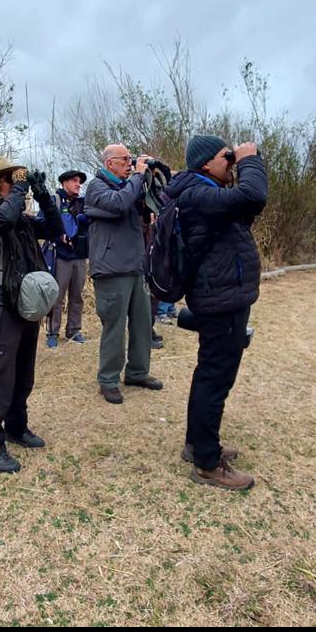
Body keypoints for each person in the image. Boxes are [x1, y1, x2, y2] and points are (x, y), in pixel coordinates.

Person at [165, 135, 268, 490]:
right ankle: (208, 464)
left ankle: (198, 445)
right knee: (215, 380)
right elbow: (254, 195)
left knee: (209, 376)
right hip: (220, 300)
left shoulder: (206, 191)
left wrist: (244, 165)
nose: (232, 161)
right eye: (227, 157)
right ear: (206, 163)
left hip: (223, 297)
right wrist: (249, 160)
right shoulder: (197, 193)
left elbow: (249, 205)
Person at [0, 156, 63, 473]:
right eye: (11, 179)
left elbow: (55, 228)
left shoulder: (20, 220)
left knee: (23, 374)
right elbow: (4, 217)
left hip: (23, 305)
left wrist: (43, 193)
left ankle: (17, 428)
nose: (17, 185)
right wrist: (21, 188)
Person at [84, 144, 163, 403]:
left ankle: (138, 372)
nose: (130, 163)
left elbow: (151, 205)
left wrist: (150, 177)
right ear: (110, 163)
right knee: (115, 327)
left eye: (131, 159)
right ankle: (108, 379)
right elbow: (118, 204)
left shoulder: (129, 186)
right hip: (111, 269)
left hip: (135, 265)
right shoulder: (97, 187)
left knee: (142, 323)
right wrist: (138, 177)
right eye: (125, 159)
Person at [46, 170, 89, 348]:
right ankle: (52, 332)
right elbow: (43, 225)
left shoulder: (83, 203)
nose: (78, 184)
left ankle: (74, 330)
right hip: (61, 256)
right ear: (64, 183)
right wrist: (59, 236)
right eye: (74, 181)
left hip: (80, 256)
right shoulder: (54, 201)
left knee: (77, 296)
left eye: (80, 181)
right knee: (57, 297)